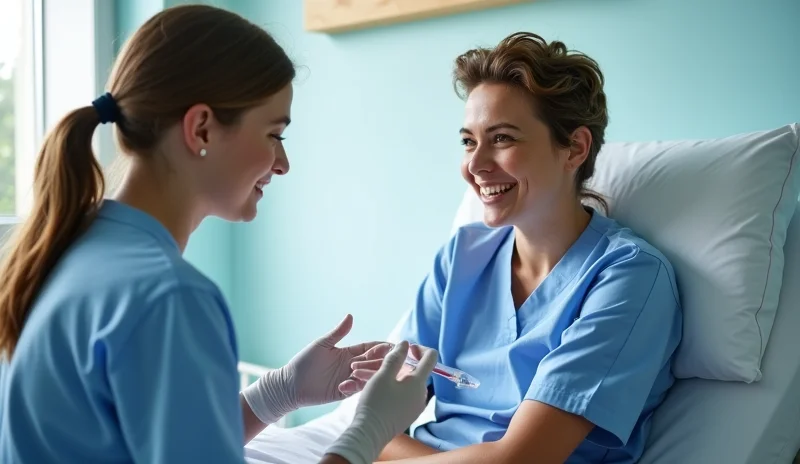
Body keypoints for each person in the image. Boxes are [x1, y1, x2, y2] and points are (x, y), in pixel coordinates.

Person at [0, 5, 438, 464]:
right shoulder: (169, 297)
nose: (283, 164)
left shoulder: (67, 251)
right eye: (274, 134)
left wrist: (277, 393)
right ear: (201, 128)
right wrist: (365, 434)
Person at [351, 33, 683, 463]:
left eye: (502, 139)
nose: (475, 165)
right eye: (469, 141)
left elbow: (521, 459)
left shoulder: (631, 278)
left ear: (575, 148)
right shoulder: (463, 256)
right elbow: (374, 422)